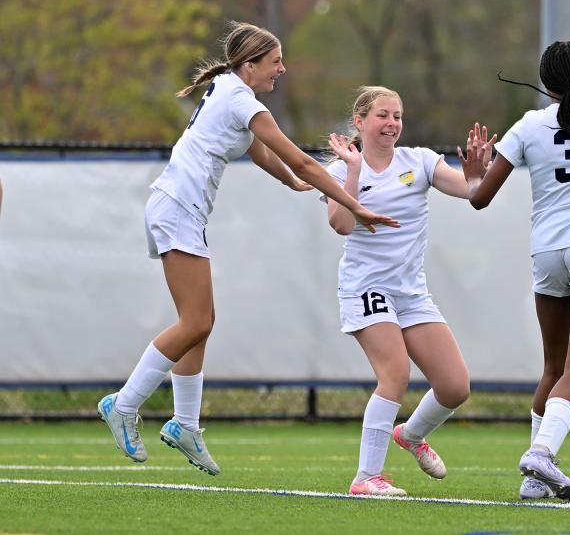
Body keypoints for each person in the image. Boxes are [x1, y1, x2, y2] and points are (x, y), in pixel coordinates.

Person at [97, 23, 399, 475]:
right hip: (177, 208)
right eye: (275, 61)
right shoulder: (241, 99)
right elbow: (297, 156)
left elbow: (259, 152)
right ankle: (123, 404)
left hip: (178, 208)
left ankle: (184, 424)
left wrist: (292, 182)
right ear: (250, 64)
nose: (282, 68)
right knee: (198, 321)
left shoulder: (227, 88)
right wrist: (354, 205)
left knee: (197, 325)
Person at [459, 41, 570, 502]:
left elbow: (479, 198)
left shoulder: (527, 126)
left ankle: (534, 480)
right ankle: (541, 454)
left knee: (553, 367)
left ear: (545, 81)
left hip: (546, 254)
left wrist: (476, 171)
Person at [323, 86, 489, 496]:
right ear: (360, 121)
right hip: (366, 287)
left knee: (454, 386)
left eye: (397, 115)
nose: (392, 123)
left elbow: (471, 191)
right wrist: (354, 170)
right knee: (395, 375)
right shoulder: (340, 170)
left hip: (410, 293)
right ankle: (366, 478)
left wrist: (478, 173)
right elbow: (342, 225)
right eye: (382, 115)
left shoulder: (421, 161)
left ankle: (410, 435)